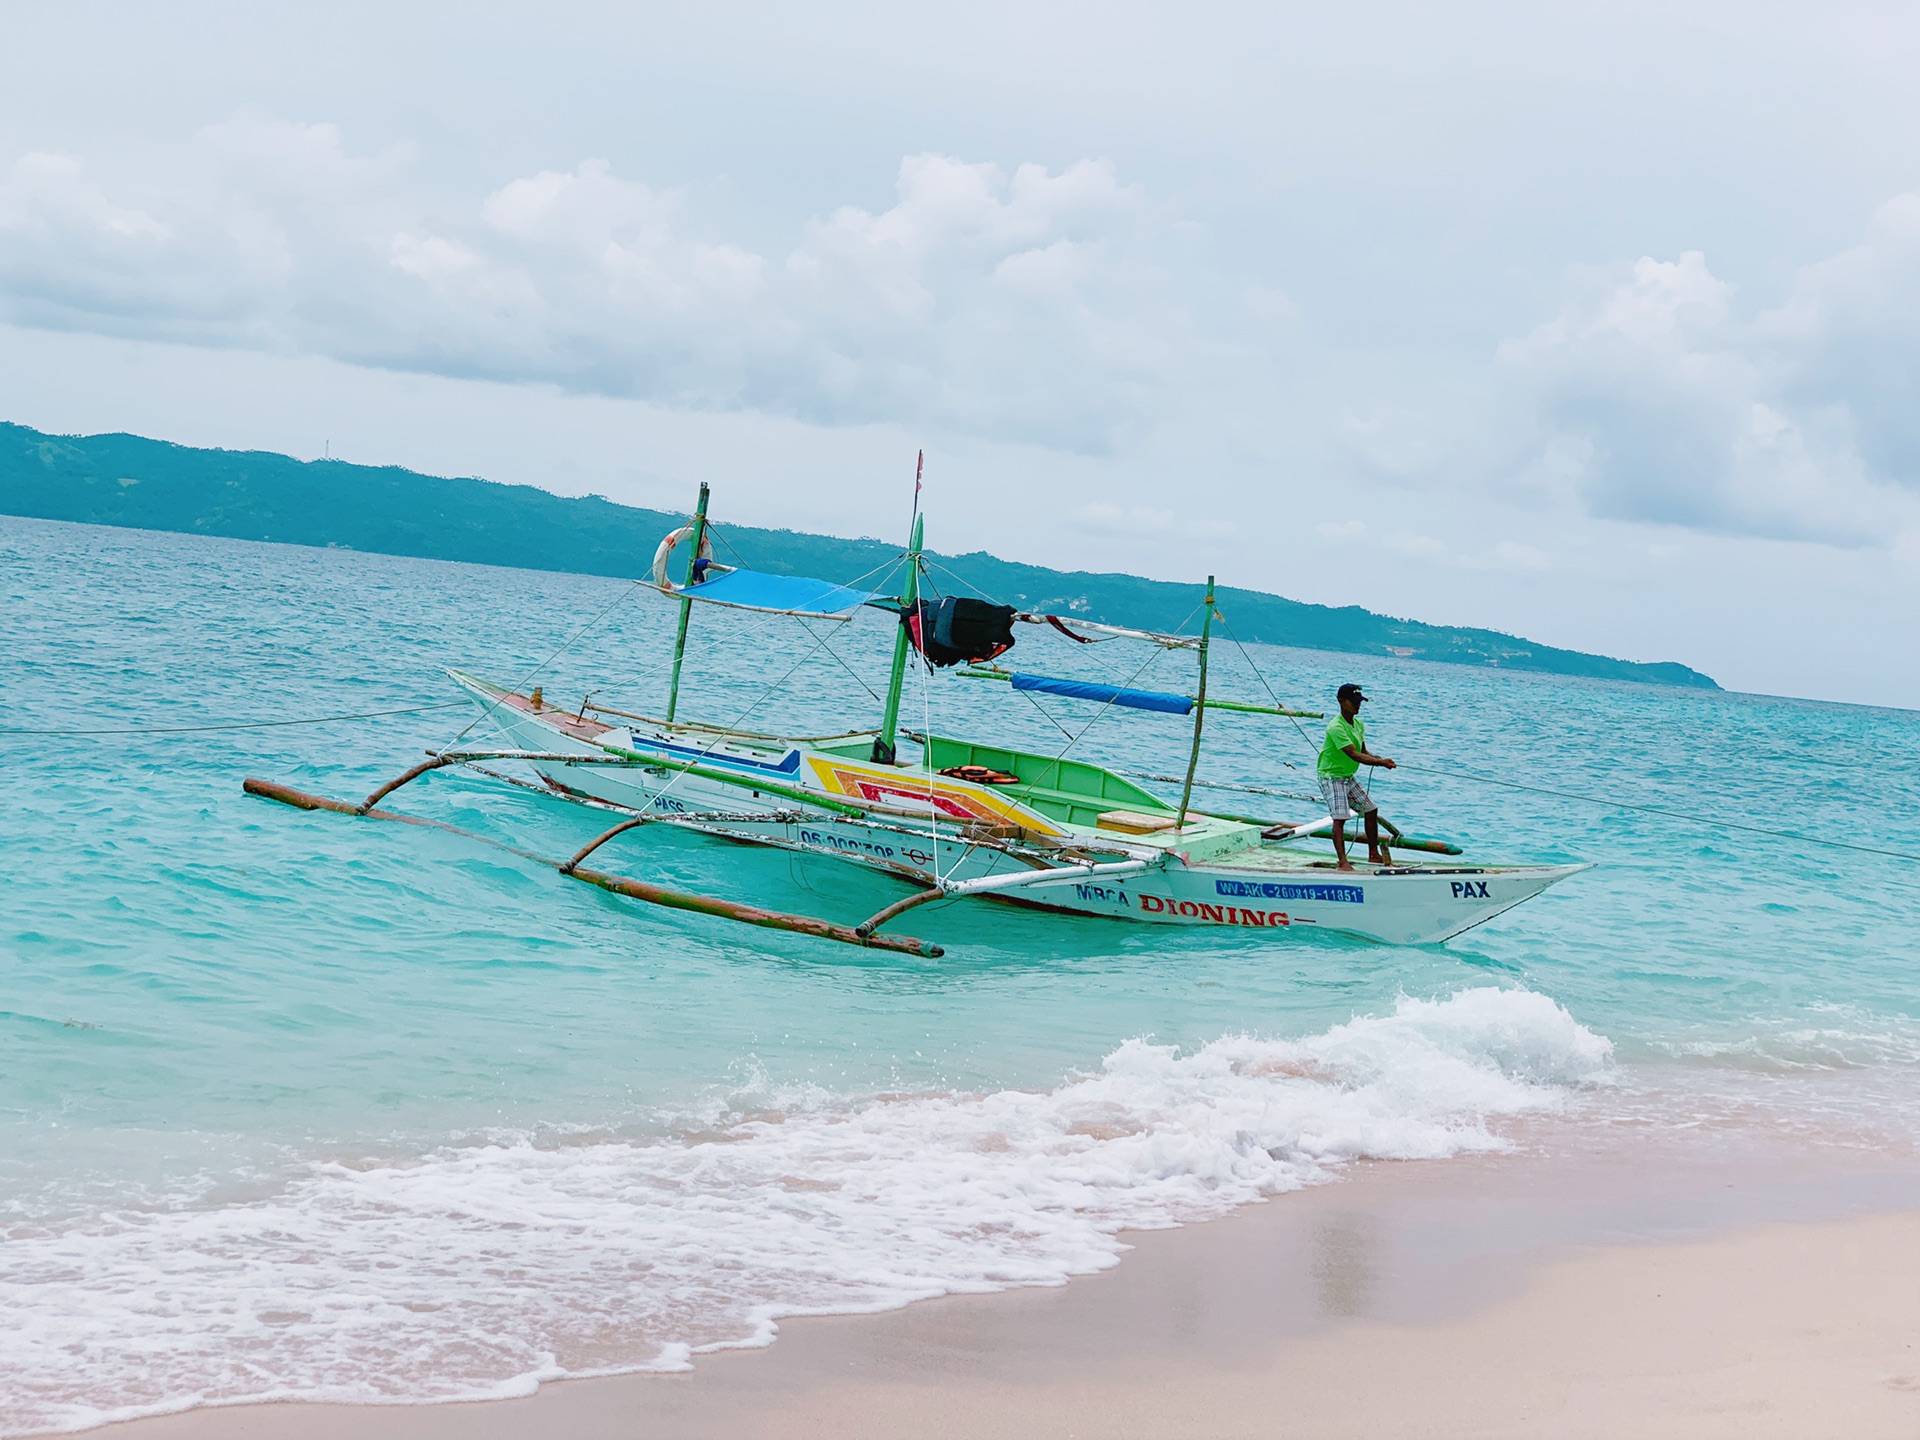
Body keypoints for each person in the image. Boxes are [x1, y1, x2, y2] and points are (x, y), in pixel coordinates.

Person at [1317, 683, 1396, 871]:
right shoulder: (1336, 727)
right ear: (1341, 702)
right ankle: (1343, 862)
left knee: (1371, 809)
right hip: (1331, 776)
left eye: (1359, 701)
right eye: (1353, 702)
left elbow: (1363, 751)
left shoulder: (1359, 724)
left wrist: (1379, 759)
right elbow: (1353, 754)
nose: (1357, 705)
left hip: (1347, 776)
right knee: (1340, 817)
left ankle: (1373, 854)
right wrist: (1379, 763)